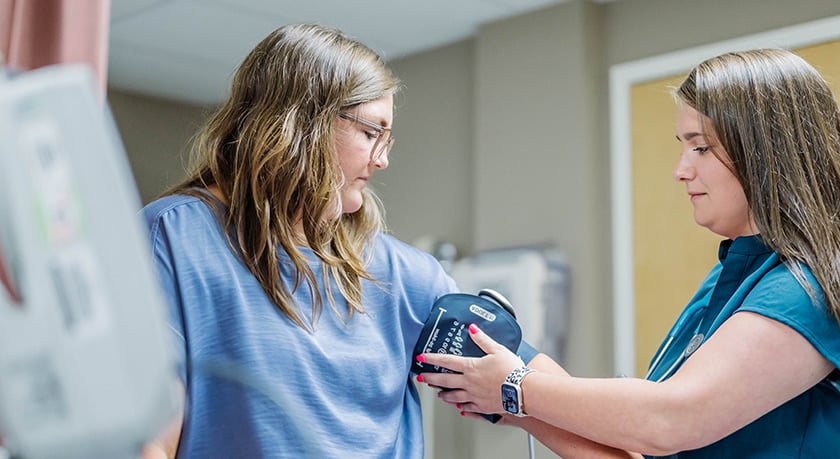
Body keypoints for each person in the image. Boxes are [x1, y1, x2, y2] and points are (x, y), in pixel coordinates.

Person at [418, 48, 840, 458]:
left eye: (700, 147)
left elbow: (668, 419)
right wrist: (509, 385)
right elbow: (643, 441)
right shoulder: (730, 281)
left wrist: (517, 387)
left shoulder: (812, 292)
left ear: (765, 151)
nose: (681, 169)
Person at [138, 23, 543, 458]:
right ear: (302, 122)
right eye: (372, 133)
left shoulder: (403, 275)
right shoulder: (175, 237)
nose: (383, 160)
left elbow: (551, 404)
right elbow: (149, 439)